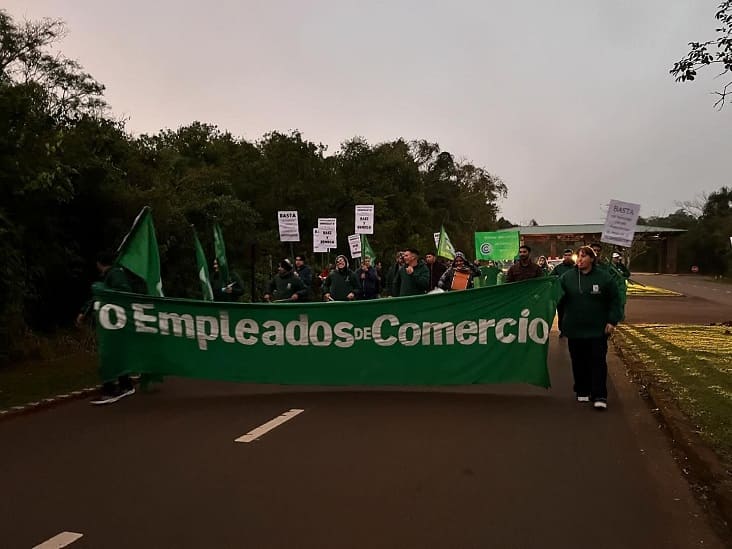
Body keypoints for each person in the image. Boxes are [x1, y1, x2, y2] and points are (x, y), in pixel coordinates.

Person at [559, 246, 622, 410]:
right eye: (578, 257)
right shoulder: (567, 278)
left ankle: (599, 394)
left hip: (597, 329)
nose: (580, 260)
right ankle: (582, 389)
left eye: (583, 257)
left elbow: (615, 301)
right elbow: (555, 297)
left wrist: (612, 321)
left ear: (592, 259)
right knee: (578, 361)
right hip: (575, 328)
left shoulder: (604, 278)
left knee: (597, 361)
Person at [76, 250, 136, 405]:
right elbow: (97, 297)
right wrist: (84, 312)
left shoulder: (115, 275)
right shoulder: (108, 277)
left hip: (115, 323)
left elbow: (123, 294)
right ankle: (125, 384)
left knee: (108, 353)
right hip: (109, 322)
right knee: (114, 353)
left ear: (98, 263)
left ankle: (110, 389)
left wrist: (104, 294)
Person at [551, 249, 576, 337]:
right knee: (561, 314)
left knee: (572, 314)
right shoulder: (558, 268)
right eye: (566, 255)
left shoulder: (576, 267)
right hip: (561, 295)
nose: (567, 257)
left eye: (569, 255)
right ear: (563, 256)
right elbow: (551, 278)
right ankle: (562, 330)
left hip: (573, 296)